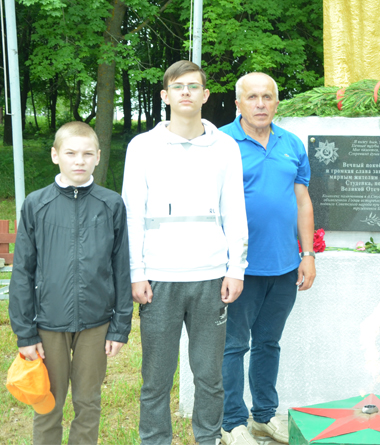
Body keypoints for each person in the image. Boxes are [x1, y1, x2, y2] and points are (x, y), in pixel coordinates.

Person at [121, 60, 249, 445]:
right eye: (178, 87)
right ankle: (155, 440)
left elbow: (235, 210)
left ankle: (208, 438)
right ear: (165, 96)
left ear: (206, 95)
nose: (186, 93)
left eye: (194, 87)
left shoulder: (225, 147)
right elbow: (132, 211)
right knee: (156, 376)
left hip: (211, 277)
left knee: (209, 376)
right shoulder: (142, 147)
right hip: (158, 278)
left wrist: (236, 268)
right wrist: (135, 271)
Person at [9, 121, 132, 444]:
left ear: (98, 157)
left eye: (87, 153)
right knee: (48, 402)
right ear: (55, 155)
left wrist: (120, 327)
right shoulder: (36, 204)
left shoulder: (111, 204)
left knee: (88, 402)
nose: (79, 160)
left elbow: (121, 267)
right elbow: (23, 270)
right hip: (49, 322)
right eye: (71, 153)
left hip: (96, 323)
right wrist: (25, 332)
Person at [218, 72, 316, 445]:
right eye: (252, 97)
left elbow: (302, 201)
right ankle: (231, 422)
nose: (260, 103)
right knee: (234, 345)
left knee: (268, 344)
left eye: (267, 97)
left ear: (277, 102)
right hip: (238, 268)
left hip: (284, 266)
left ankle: (262, 417)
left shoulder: (291, 144)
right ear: (238, 103)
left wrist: (306, 254)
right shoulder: (222, 142)